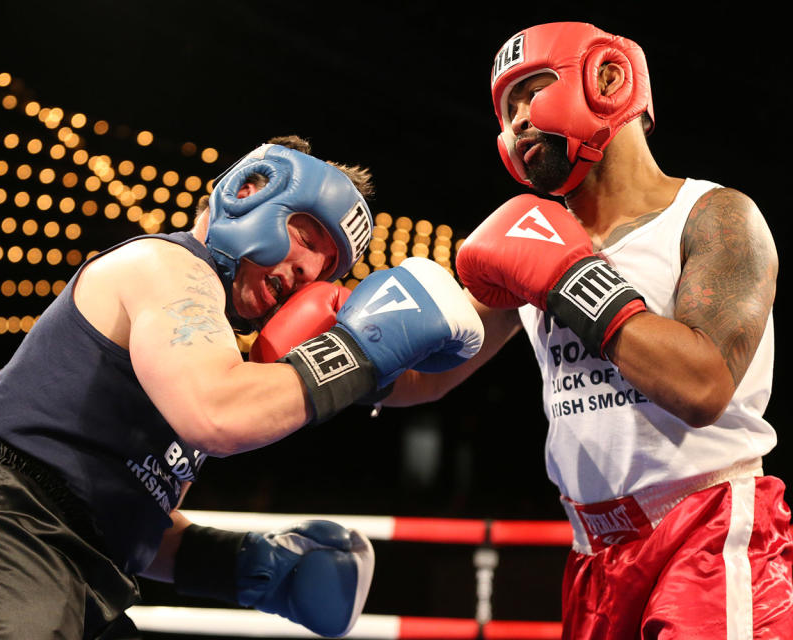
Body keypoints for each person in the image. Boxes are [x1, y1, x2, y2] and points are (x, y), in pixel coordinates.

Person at [253, 23, 793, 638]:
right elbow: (424, 378)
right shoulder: (533, 245)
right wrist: (338, 353)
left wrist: (572, 281)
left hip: (708, 529)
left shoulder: (715, 214)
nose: (515, 125)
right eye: (505, 114)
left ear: (607, 79)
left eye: (528, 96)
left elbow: (702, 387)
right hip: (594, 550)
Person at [0, 135, 486, 639]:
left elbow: (114, 510)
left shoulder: (212, 346)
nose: (308, 270)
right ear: (248, 191)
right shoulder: (171, 270)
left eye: (327, 266)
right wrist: (356, 347)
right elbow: (218, 416)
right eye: (307, 236)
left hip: (78, 565)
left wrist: (511, 294)